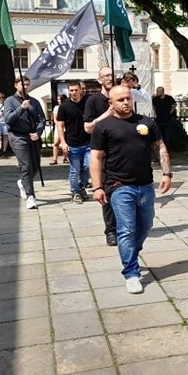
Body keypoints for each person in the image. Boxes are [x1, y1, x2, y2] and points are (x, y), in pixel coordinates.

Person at [90, 85, 172, 294]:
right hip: (118, 186)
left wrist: (166, 173)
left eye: (128, 98)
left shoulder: (146, 122)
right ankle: (131, 273)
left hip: (145, 184)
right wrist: (97, 186)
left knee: (145, 226)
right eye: (120, 100)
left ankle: (131, 254)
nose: (126, 103)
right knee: (126, 229)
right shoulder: (104, 126)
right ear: (111, 103)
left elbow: (160, 146)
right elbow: (96, 157)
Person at [85, 66, 118, 245]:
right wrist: (105, 115)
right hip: (103, 152)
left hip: (120, 151)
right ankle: (111, 230)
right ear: (99, 80)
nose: (109, 78)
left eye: (111, 75)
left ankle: (125, 226)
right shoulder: (93, 101)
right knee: (107, 192)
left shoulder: (120, 98)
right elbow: (88, 127)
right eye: (105, 75)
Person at [4, 75, 46, 210]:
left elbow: (41, 119)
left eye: (27, 84)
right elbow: (9, 119)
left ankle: (23, 182)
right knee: (26, 165)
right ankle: (30, 196)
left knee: (35, 165)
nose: (25, 86)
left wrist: (38, 133)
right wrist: (21, 108)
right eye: (22, 84)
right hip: (17, 136)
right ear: (16, 85)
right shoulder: (10, 101)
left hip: (32, 136)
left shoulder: (34, 101)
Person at [56, 80, 91, 204]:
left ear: (81, 90)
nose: (74, 93)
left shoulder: (87, 103)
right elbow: (60, 125)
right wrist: (63, 143)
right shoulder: (64, 106)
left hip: (88, 142)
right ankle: (75, 192)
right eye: (71, 90)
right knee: (75, 169)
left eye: (76, 90)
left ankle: (82, 187)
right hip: (72, 143)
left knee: (88, 166)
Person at [49, 95, 68, 165]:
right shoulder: (56, 108)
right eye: (58, 99)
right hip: (59, 128)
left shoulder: (66, 107)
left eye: (59, 99)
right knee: (56, 143)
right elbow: (55, 118)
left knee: (65, 143)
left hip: (66, 127)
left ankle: (65, 158)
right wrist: (59, 126)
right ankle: (55, 159)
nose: (58, 100)